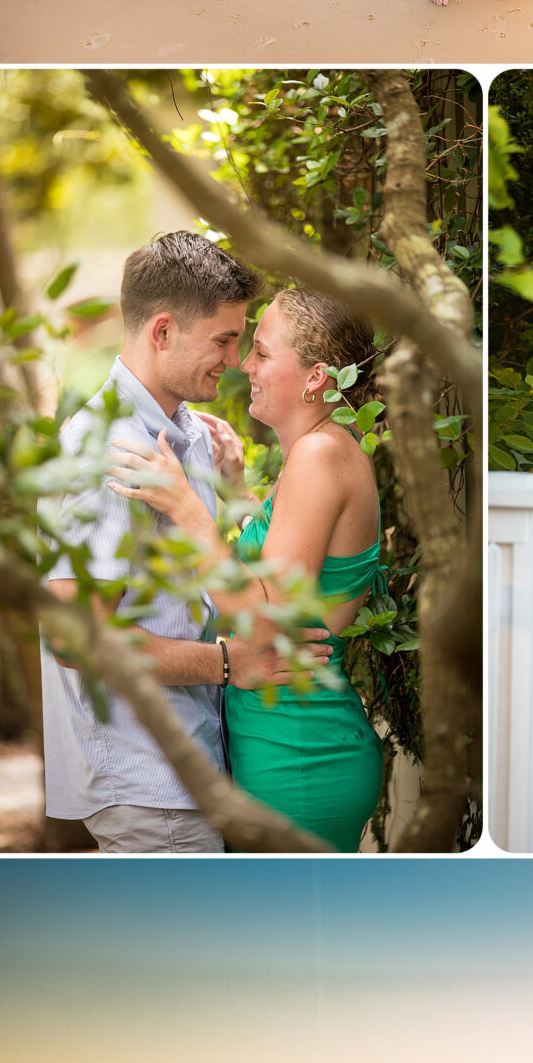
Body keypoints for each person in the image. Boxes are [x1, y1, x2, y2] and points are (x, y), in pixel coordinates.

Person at [111, 288, 385, 851]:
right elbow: (283, 580)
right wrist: (238, 495)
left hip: (300, 754)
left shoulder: (319, 456)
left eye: (261, 352)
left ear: (316, 378)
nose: (244, 365)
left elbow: (262, 621)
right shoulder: (319, 452)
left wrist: (188, 507)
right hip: (284, 738)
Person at [40, 230, 276, 855]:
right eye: (224, 339)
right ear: (163, 331)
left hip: (184, 769)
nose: (234, 358)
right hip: (149, 785)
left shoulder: (183, 430)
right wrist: (230, 664)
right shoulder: (118, 451)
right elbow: (77, 638)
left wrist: (230, 486)